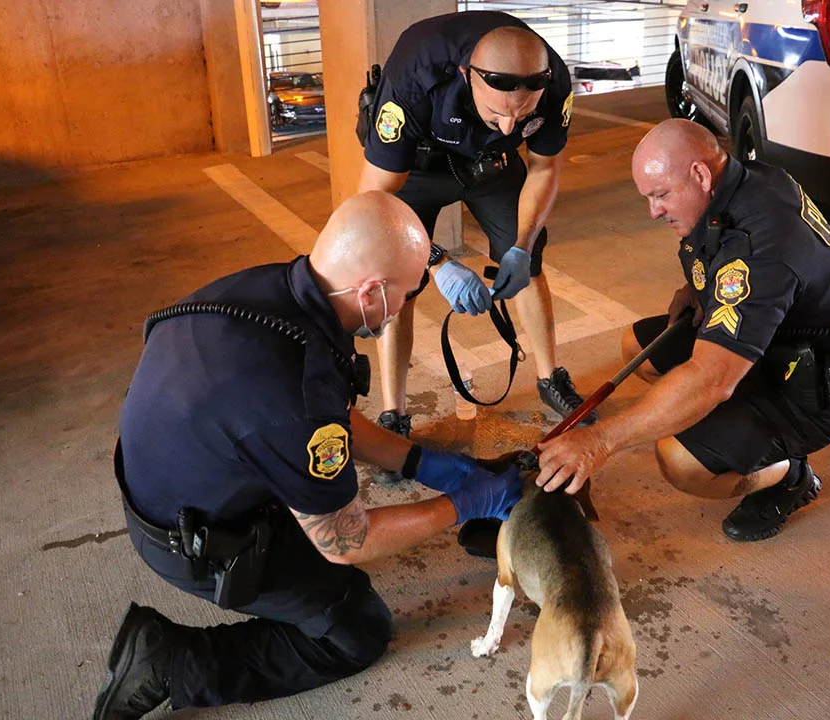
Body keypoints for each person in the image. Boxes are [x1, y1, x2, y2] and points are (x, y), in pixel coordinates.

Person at [92, 191, 521, 718]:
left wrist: (420, 463)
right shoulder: (295, 391)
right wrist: (461, 504)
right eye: (409, 294)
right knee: (356, 629)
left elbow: (331, 415)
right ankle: (170, 661)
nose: (410, 304)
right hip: (193, 537)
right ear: (371, 292)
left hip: (177, 473)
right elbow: (345, 539)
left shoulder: (280, 289)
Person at [536, 120, 830, 542]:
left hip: (807, 387)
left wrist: (600, 441)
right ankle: (729, 430)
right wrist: (696, 291)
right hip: (770, 347)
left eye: (661, 195)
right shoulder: (742, 180)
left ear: (698, 174)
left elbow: (712, 377)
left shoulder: (759, 246)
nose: (653, 211)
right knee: (637, 346)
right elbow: (719, 254)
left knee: (680, 461)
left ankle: (790, 474)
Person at [357, 11, 597, 448]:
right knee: (399, 280)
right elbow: (375, 201)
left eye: (522, 115)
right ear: (467, 76)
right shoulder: (415, 74)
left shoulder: (555, 80)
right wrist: (436, 262)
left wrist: (521, 246)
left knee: (530, 263)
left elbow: (543, 169)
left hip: (493, 163)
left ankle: (550, 379)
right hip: (419, 166)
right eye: (497, 112)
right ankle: (394, 412)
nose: (510, 125)